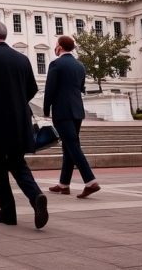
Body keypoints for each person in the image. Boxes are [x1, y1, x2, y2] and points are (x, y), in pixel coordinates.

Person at [0, 20, 48, 229]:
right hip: (20, 117)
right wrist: (16, 100)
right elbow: (32, 88)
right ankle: (36, 196)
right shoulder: (22, 59)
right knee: (16, 162)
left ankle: (7, 211)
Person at [44, 35, 100, 199]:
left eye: (55, 45)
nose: (55, 48)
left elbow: (50, 89)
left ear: (59, 47)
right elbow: (81, 88)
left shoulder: (56, 64)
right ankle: (64, 184)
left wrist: (46, 109)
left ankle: (90, 181)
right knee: (68, 145)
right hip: (77, 110)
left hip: (62, 111)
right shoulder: (80, 65)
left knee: (73, 145)